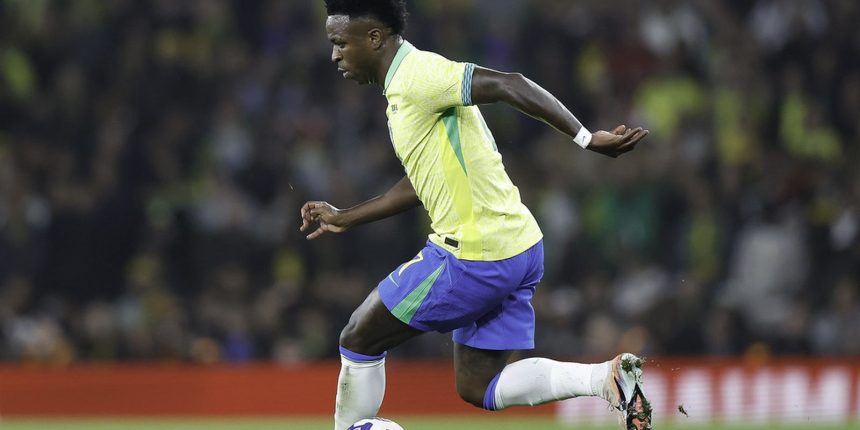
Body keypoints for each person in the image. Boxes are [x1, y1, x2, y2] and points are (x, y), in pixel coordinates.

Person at [300, 1, 652, 429]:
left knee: (358, 337)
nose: (334, 55)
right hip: (518, 247)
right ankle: (605, 379)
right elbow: (420, 181)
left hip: (473, 256)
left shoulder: (418, 76)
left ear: (374, 38)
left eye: (340, 43)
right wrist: (347, 217)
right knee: (478, 385)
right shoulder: (404, 90)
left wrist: (586, 138)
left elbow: (509, 83)